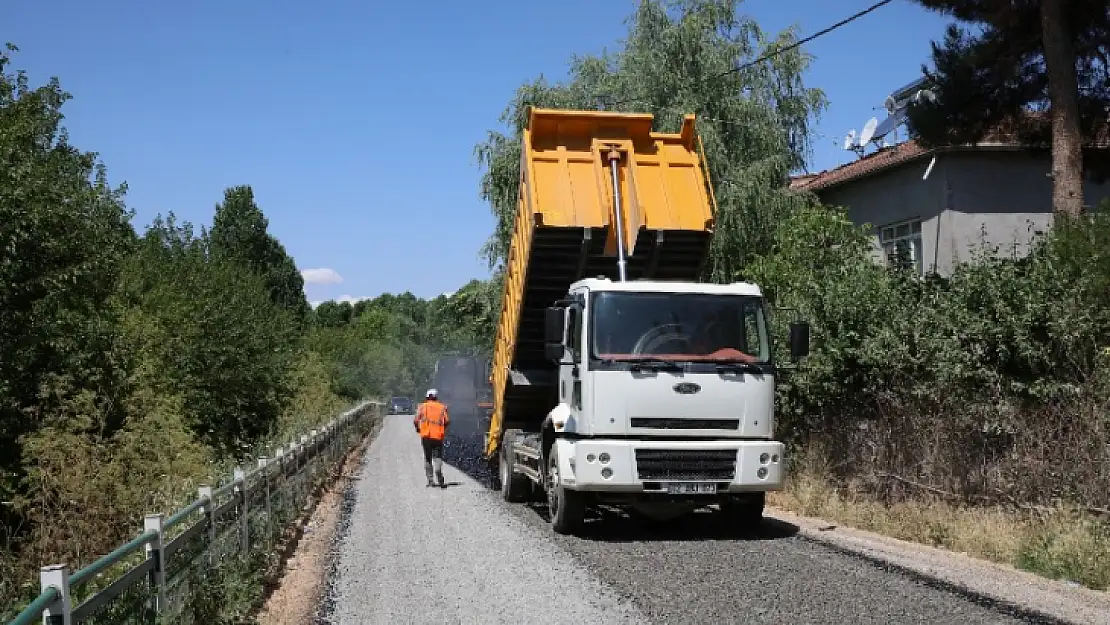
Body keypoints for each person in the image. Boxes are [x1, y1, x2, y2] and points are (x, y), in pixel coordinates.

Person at [414, 388, 449, 488]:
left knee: (428, 458)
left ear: (427, 397)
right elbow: (447, 421)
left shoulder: (422, 407)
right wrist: (443, 430)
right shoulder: (442, 407)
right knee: (437, 457)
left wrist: (418, 429)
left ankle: (430, 480)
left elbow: (416, 420)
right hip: (438, 436)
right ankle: (438, 474)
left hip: (426, 436)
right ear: (436, 397)